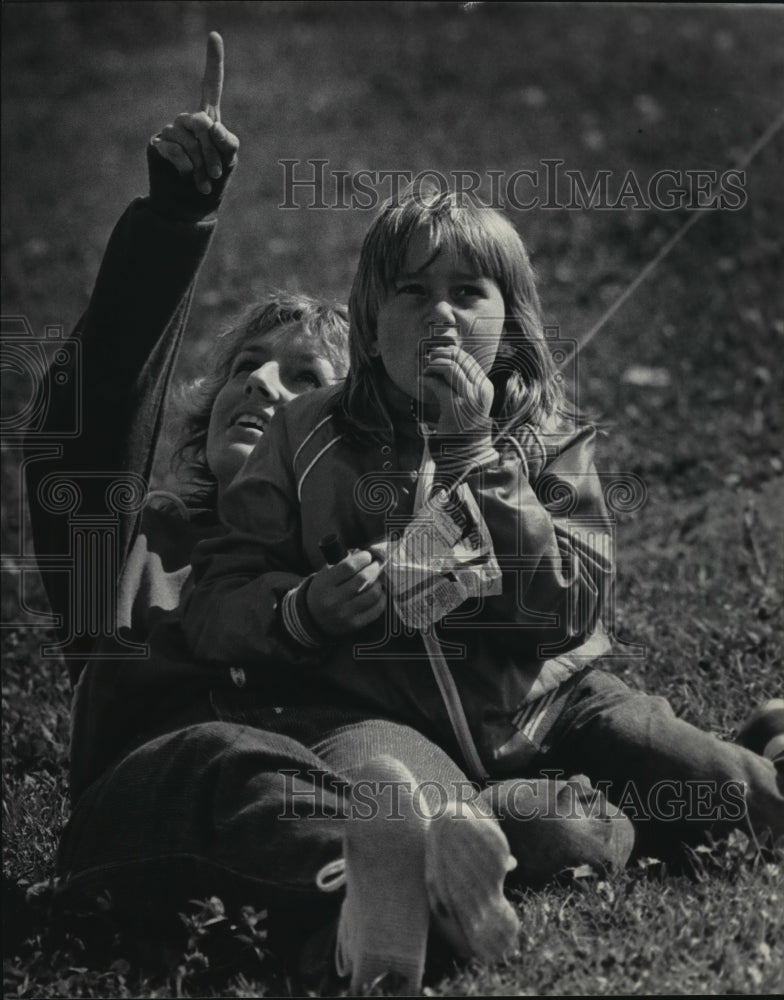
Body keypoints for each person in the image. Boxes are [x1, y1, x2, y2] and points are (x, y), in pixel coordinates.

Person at [181, 177, 784, 985]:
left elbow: (567, 611)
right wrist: (302, 609)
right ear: (367, 322)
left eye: (468, 292)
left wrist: (477, 459)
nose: (440, 314)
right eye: (412, 292)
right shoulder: (304, 435)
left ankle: (738, 766)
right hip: (372, 712)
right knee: (425, 810)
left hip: (555, 702)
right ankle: (454, 867)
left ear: (511, 321)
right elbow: (219, 593)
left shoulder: (548, 439)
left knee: (715, 790)